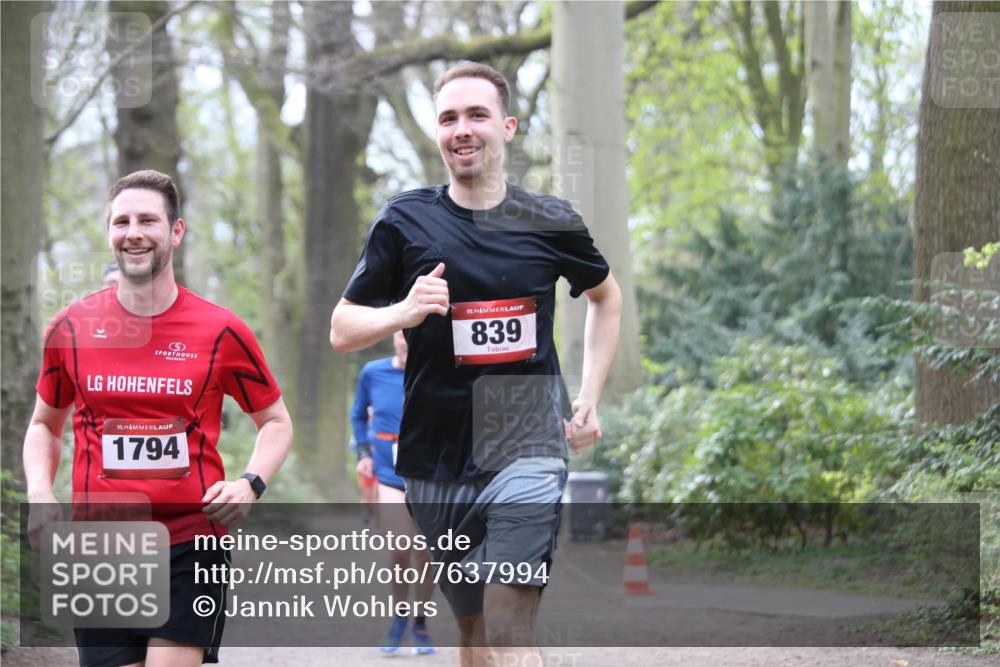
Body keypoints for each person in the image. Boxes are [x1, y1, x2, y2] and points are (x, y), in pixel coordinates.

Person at [330, 62, 622, 666]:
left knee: (509, 627)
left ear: (507, 126)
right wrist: (402, 312)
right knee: (473, 630)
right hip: (435, 458)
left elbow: (606, 298)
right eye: (449, 118)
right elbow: (342, 328)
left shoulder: (550, 221)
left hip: (526, 444)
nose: (462, 129)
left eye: (476, 115)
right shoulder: (404, 219)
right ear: (438, 134)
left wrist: (589, 393)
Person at [23, 169, 294, 667]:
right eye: (121, 221)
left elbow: (275, 420)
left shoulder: (221, 330)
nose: (134, 232)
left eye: (148, 219)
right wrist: (40, 493)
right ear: (109, 233)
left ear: (176, 231)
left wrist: (250, 483)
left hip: (192, 541)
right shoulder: (70, 328)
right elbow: (44, 424)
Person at [351, 331, 436, 655]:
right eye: (402, 336)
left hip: (429, 477)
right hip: (389, 475)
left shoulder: (434, 370)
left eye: (412, 337)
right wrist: (364, 454)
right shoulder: (373, 372)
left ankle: (420, 621)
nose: (406, 342)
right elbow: (358, 414)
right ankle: (400, 616)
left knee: (427, 553)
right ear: (395, 338)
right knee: (400, 547)